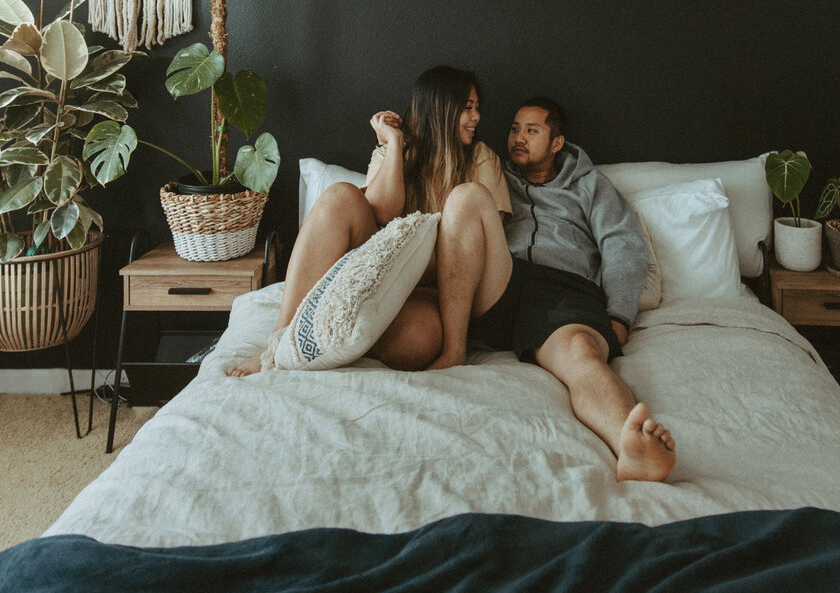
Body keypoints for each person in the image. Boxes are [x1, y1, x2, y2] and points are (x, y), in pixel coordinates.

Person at [427, 97, 677, 482]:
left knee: (582, 354)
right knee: (466, 197)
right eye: (514, 129)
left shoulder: (591, 186)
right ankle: (454, 348)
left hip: (562, 290)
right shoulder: (492, 171)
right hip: (502, 282)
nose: (518, 139)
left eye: (532, 130)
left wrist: (619, 316)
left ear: (557, 142)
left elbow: (623, 247)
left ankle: (630, 444)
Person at [226, 66, 511, 376]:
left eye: (477, 109)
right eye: (467, 109)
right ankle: (277, 341)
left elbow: (478, 248)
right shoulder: (393, 151)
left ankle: (444, 350)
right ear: (441, 109)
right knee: (341, 196)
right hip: (387, 276)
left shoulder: (481, 158)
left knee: (415, 342)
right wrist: (394, 144)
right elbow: (383, 212)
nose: (476, 118)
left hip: (439, 293)